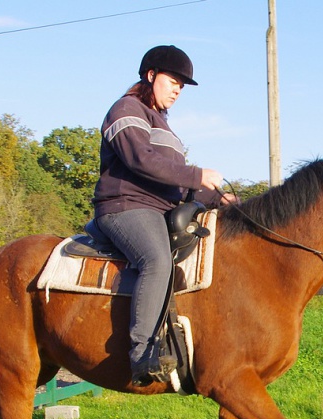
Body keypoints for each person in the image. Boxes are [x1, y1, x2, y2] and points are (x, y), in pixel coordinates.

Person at [91, 45, 235, 386]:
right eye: (173, 81)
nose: (177, 90)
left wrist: (221, 198)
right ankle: (142, 352)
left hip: (158, 208)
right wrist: (197, 174)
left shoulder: (165, 128)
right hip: (125, 205)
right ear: (151, 74)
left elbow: (175, 180)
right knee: (157, 260)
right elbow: (141, 161)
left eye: (182, 86)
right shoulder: (126, 109)